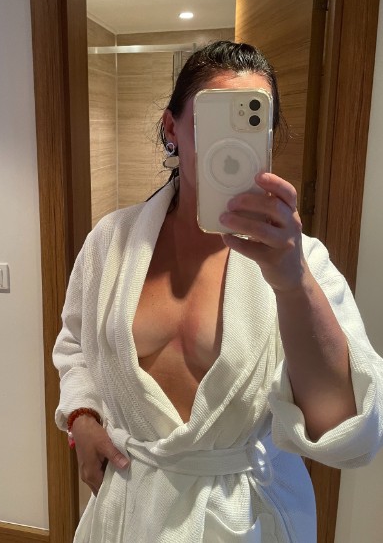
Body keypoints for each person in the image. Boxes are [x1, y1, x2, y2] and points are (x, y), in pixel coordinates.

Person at [53, 41, 383, 542]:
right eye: (211, 120)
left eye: (251, 123)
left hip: (245, 517)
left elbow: (343, 431)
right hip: (132, 511)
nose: (226, 145)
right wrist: (81, 416)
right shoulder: (110, 243)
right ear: (172, 129)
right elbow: (75, 344)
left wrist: (293, 282)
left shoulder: (304, 263)